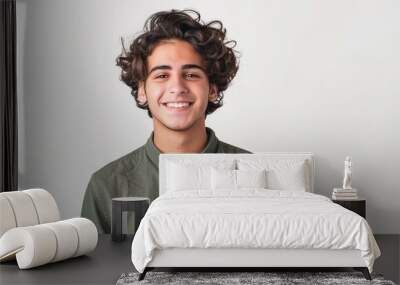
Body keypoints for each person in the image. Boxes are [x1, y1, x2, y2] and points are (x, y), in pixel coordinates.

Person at [81, 9, 251, 234]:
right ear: (142, 90)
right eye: (162, 75)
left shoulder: (253, 174)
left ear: (212, 89)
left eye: (191, 75)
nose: (177, 87)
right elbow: (97, 268)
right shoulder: (106, 186)